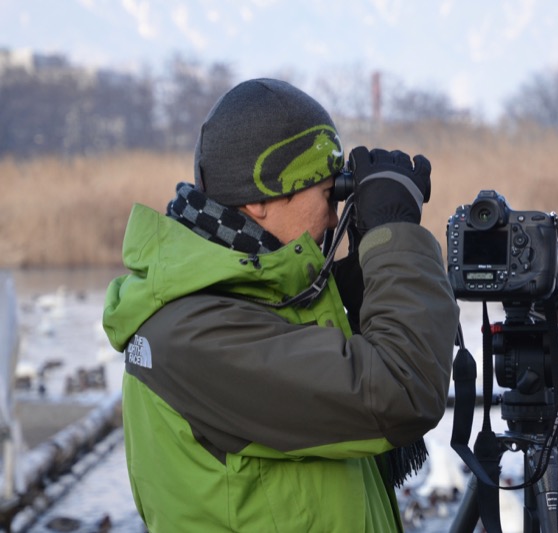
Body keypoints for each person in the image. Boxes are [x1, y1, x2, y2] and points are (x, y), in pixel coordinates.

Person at [102, 78, 460, 532]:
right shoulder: (195, 335)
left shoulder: (249, 299)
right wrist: (395, 237)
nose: (334, 216)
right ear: (258, 200)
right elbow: (400, 391)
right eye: (328, 195)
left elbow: (350, 363)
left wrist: (369, 250)